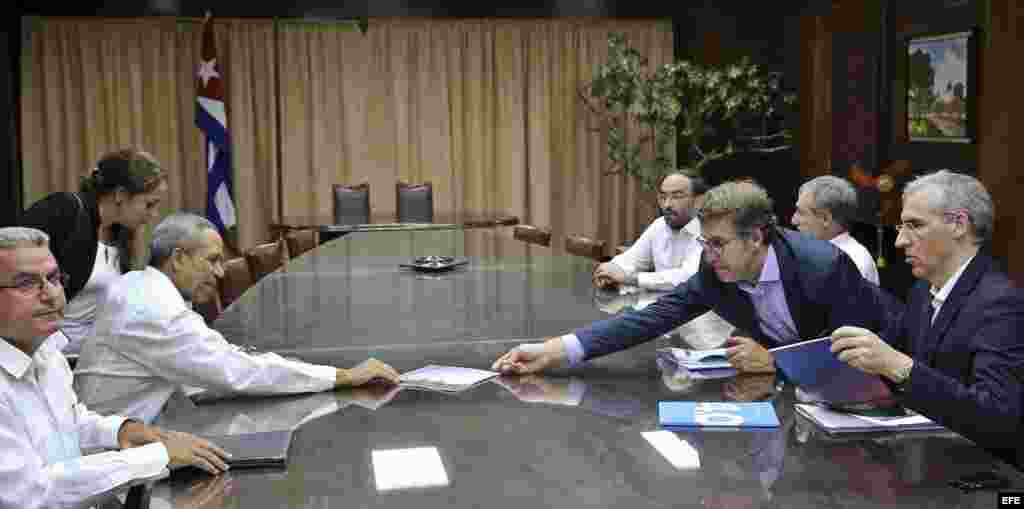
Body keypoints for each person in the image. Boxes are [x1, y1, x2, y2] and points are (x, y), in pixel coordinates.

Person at [492, 180, 900, 375]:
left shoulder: (822, 267)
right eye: (705, 243)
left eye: (718, 244)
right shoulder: (716, 269)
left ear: (756, 238)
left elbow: (857, 352)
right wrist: (555, 350)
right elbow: (653, 318)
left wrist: (775, 363)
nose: (708, 255)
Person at [74, 212, 401, 423]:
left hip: (143, 427)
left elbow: (217, 361)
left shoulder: (139, 284)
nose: (220, 273)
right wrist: (341, 376)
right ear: (178, 258)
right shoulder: (155, 311)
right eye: (212, 260)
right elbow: (237, 372)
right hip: (118, 463)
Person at [0, 226, 231, 509]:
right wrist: (155, 456)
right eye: (26, 283)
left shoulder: (46, 350)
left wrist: (122, 431)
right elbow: (30, 495)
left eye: (53, 278)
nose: (50, 294)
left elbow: (69, 423)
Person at [830, 170, 1024, 466]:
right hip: (926, 461)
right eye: (901, 226)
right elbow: (886, 358)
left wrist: (900, 367)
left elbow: (998, 417)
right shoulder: (922, 291)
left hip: (984, 476)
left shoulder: (1001, 302)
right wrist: (828, 376)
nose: (900, 241)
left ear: (959, 224)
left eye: (915, 225)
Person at [20, 148, 169, 354]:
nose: (153, 214)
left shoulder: (123, 236)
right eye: (149, 204)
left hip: (85, 358)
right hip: (41, 355)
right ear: (120, 195)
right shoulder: (65, 210)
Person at [592, 173, 709, 291]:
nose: (667, 205)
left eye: (676, 197)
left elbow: (688, 277)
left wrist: (630, 279)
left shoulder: (707, 231)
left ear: (698, 201)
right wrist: (610, 270)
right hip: (659, 301)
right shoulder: (659, 225)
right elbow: (631, 259)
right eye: (663, 197)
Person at [791, 175, 880, 285]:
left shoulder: (851, 262)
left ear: (825, 219)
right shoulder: (824, 255)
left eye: (801, 212)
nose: (793, 220)